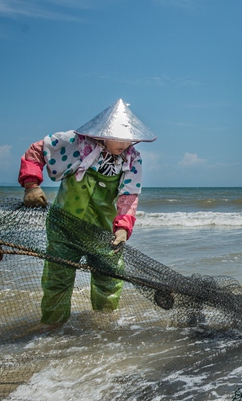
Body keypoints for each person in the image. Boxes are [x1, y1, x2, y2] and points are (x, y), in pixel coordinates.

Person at [18, 99, 156, 325]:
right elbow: (37, 151)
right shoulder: (77, 144)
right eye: (120, 137)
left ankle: (103, 330)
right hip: (64, 228)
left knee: (109, 281)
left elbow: (128, 196)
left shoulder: (132, 159)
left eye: (130, 137)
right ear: (104, 132)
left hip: (102, 233)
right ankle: (52, 329)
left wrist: (122, 229)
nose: (126, 143)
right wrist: (31, 185)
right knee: (57, 281)